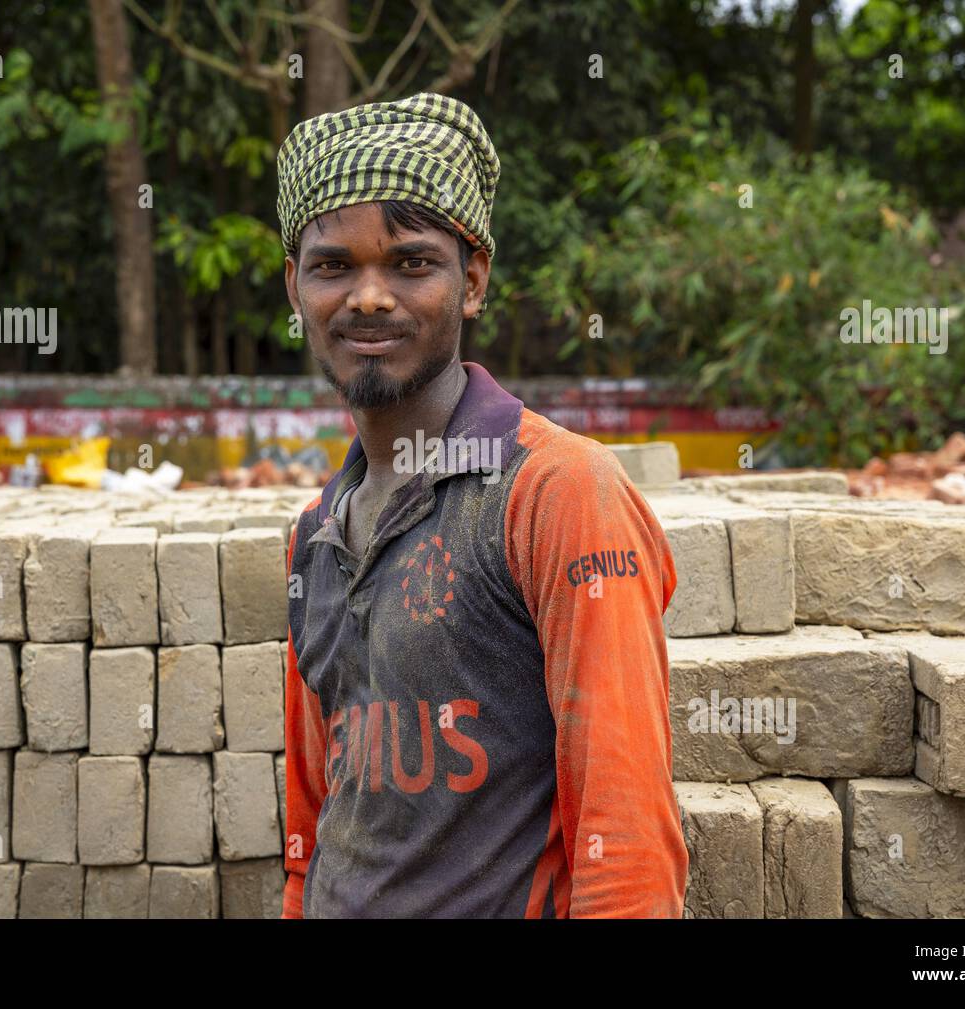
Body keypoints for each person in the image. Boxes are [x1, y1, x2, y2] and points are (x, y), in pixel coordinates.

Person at [276, 92, 687, 917]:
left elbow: (627, 835)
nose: (368, 297)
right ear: (294, 289)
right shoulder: (316, 536)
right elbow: (313, 826)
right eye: (333, 266)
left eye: (410, 263)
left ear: (473, 281)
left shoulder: (557, 494)